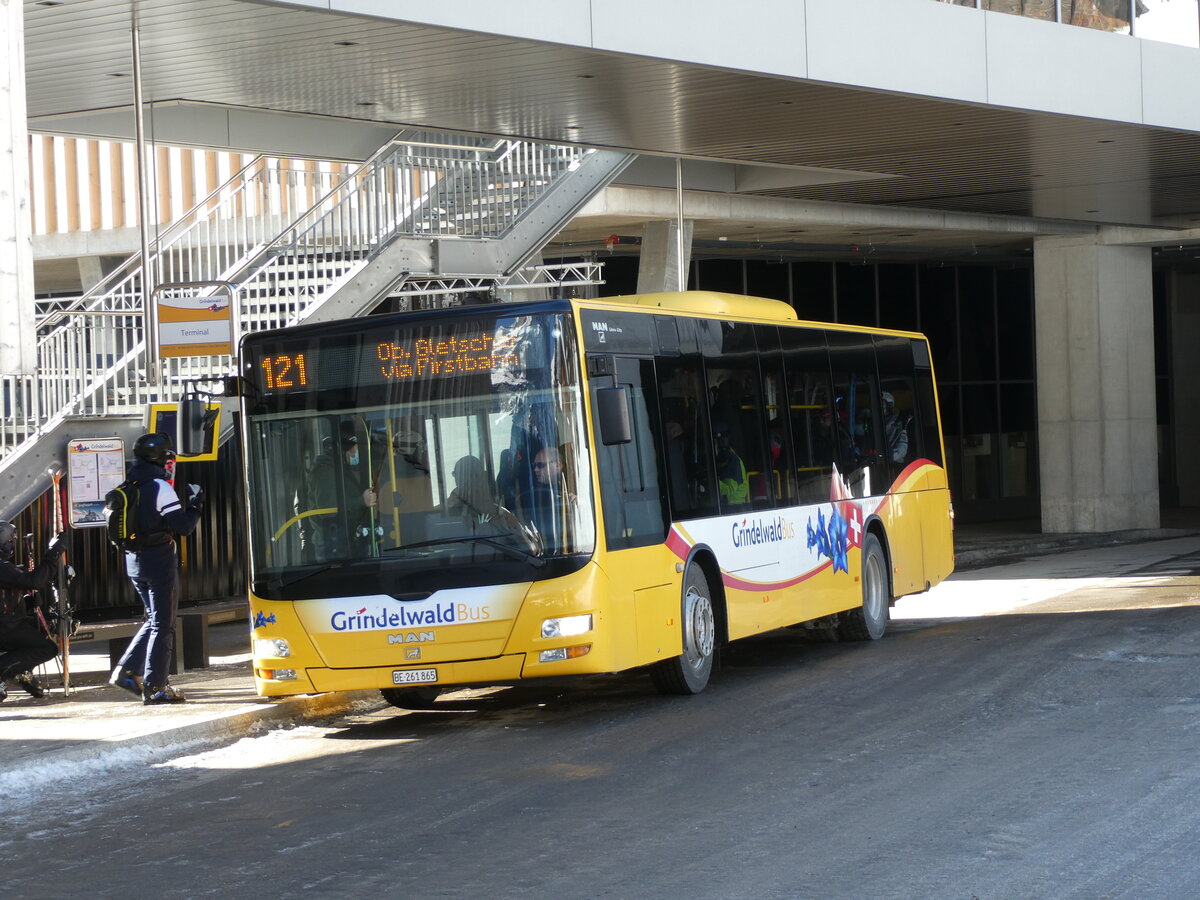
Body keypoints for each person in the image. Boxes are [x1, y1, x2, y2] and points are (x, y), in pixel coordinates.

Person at [107, 433, 203, 705]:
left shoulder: (129, 483)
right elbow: (183, 527)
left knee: (152, 619)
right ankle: (156, 687)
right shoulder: (159, 486)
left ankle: (125, 673)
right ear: (161, 457)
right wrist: (195, 504)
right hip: (158, 560)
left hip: (133, 560)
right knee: (164, 624)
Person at [0, 523, 63, 702]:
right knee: (47, 648)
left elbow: (17, 578)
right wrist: (53, 553)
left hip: (9, 622)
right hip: (4, 625)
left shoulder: (4, 567)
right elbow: (33, 582)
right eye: (10, 541)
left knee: (35, 627)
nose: (12, 545)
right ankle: (9, 670)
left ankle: (21, 672)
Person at [307, 424, 378, 558]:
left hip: (345, 540)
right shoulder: (325, 471)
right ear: (345, 449)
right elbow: (328, 510)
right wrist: (361, 501)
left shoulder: (340, 468)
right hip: (332, 547)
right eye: (355, 448)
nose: (357, 453)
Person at [712, 419, 749, 508]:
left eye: (713, 440)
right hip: (725, 508)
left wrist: (711, 481)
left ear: (720, 441)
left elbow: (729, 489)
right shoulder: (720, 459)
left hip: (733, 509)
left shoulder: (732, 460)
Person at [882, 391, 910, 464]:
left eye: (882, 404)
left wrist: (889, 456)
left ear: (889, 405)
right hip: (877, 463)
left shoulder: (899, 422)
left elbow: (902, 449)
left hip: (894, 465)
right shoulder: (874, 423)